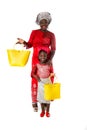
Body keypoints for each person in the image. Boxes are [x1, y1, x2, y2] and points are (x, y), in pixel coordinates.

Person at [16, 12, 56, 112]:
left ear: (48, 23)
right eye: (41, 22)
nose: (44, 24)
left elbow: (53, 49)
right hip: (35, 60)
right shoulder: (34, 32)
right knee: (35, 78)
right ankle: (34, 101)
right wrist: (23, 42)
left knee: (48, 78)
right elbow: (29, 45)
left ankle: (47, 98)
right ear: (38, 23)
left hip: (47, 60)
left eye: (45, 22)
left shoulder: (51, 35)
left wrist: (49, 61)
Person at [31, 49, 54, 117]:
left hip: (48, 82)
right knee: (41, 98)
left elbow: (51, 72)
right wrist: (37, 77)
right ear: (38, 56)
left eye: (44, 55)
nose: (43, 57)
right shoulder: (37, 64)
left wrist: (52, 76)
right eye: (41, 55)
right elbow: (32, 73)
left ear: (47, 56)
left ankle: (48, 112)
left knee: (48, 97)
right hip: (40, 82)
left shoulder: (49, 64)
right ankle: (43, 111)